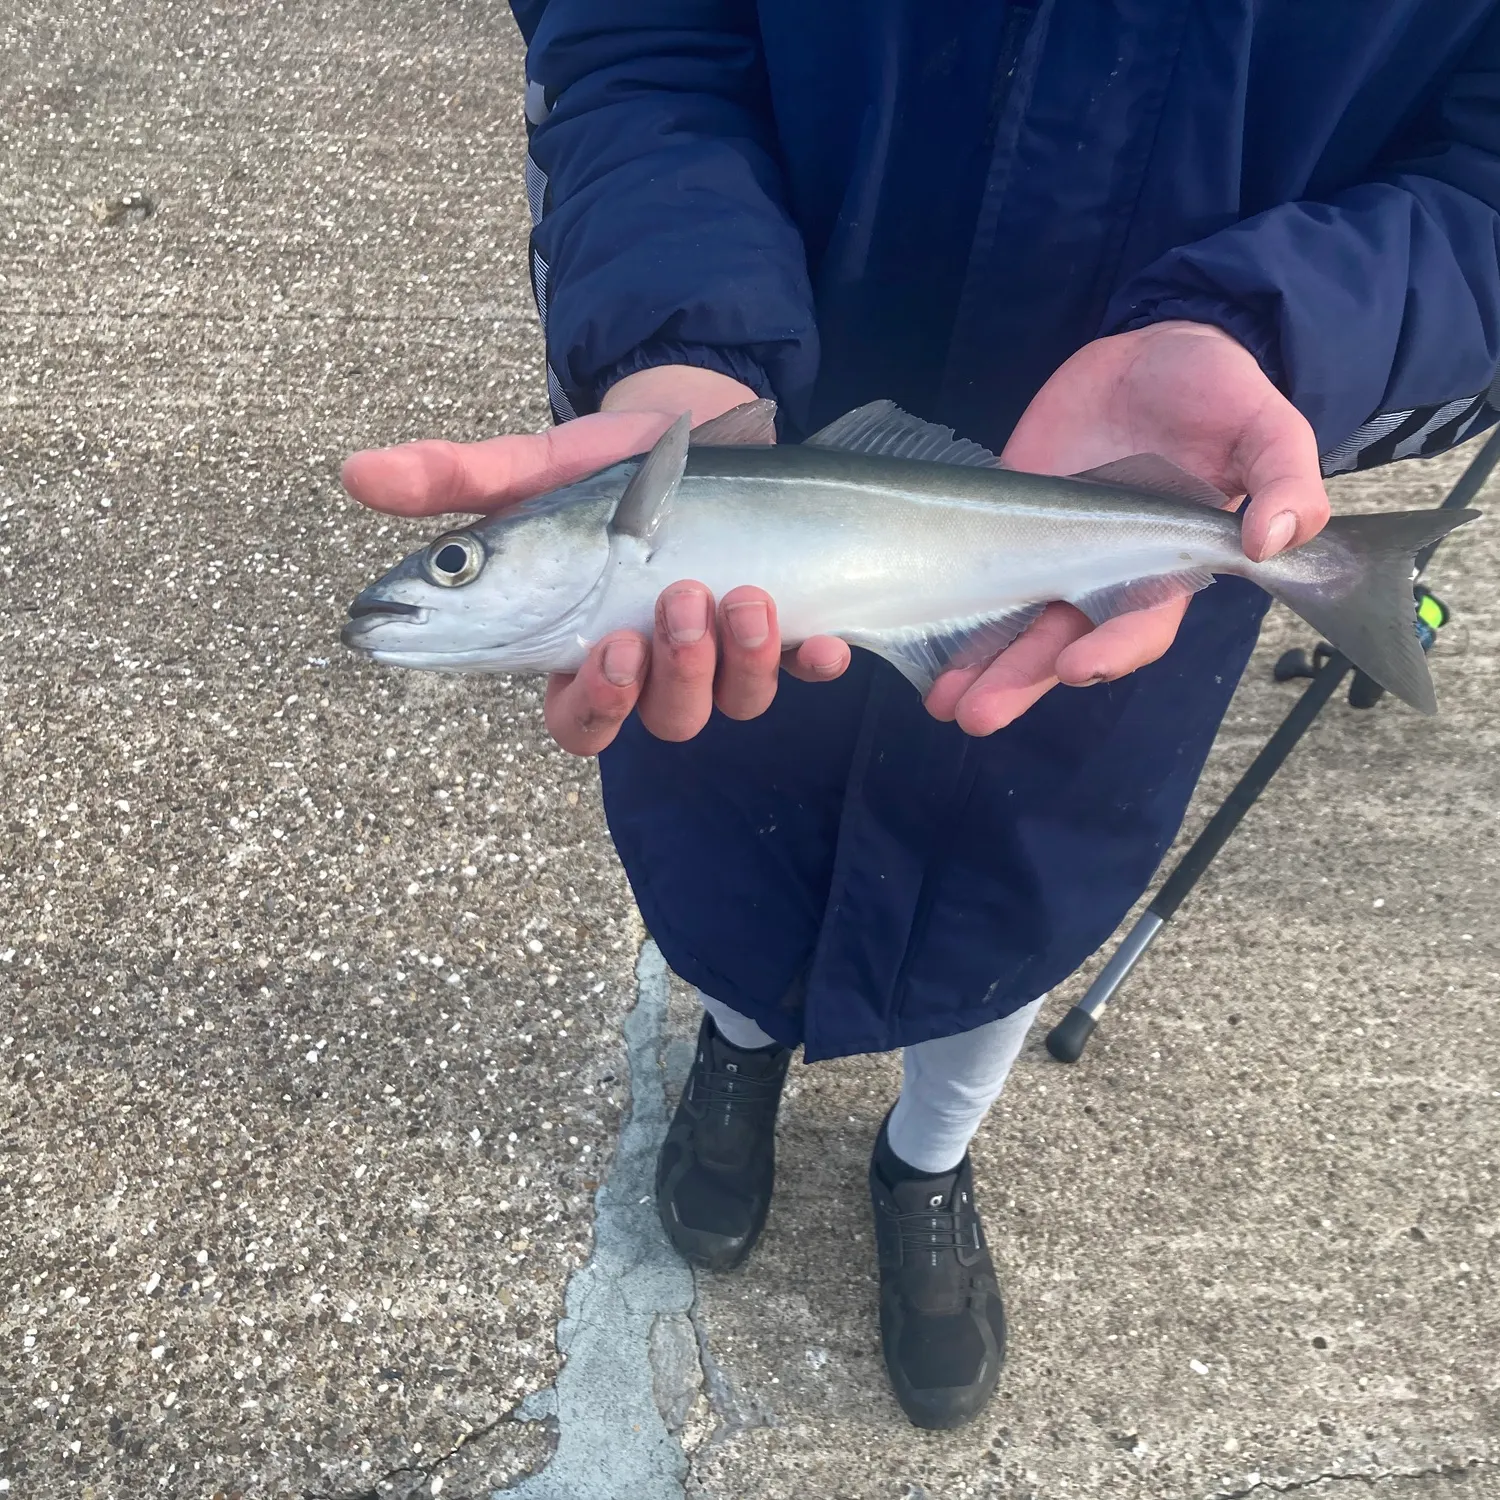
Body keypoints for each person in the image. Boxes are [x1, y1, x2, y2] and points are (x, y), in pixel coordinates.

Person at [342, 1, 1500, 1429]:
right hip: (790, 491)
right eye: (455, 565)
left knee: (1023, 871)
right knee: (728, 847)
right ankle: (739, 1054)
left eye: (460, 562)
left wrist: (1271, 335)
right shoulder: (625, 539)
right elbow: (633, 37)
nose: (441, 580)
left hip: (1125, 542)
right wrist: (678, 328)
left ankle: (928, 1157)